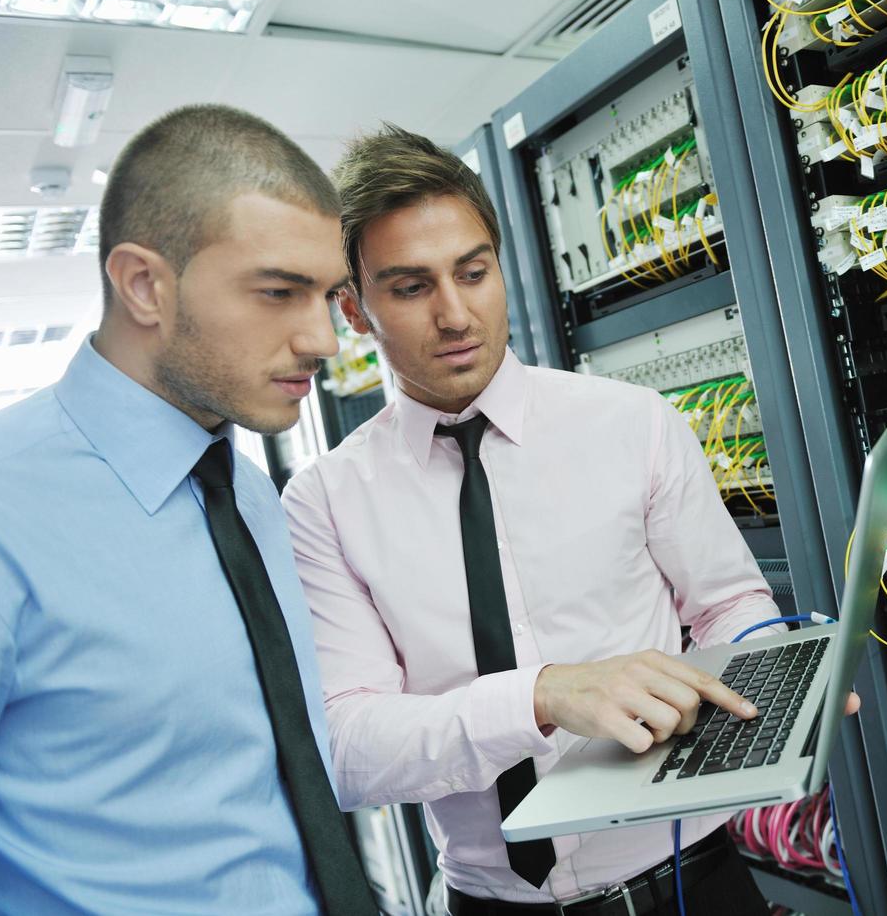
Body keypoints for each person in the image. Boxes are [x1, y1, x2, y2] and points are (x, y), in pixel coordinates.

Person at [281, 124, 787, 915]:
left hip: (692, 883)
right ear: (354, 308)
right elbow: (349, 751)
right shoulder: (323, 503)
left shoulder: (634, 423)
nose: (456, 314)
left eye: (474, 273)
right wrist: (541, 698)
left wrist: (778, 679)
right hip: (492, 903)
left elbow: (729, 604)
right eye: (412, 287)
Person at [0, 105, 376, 916]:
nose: (324, 339)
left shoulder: (244, 489)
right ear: (143, 285)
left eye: (329, 295)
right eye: (279, 292)